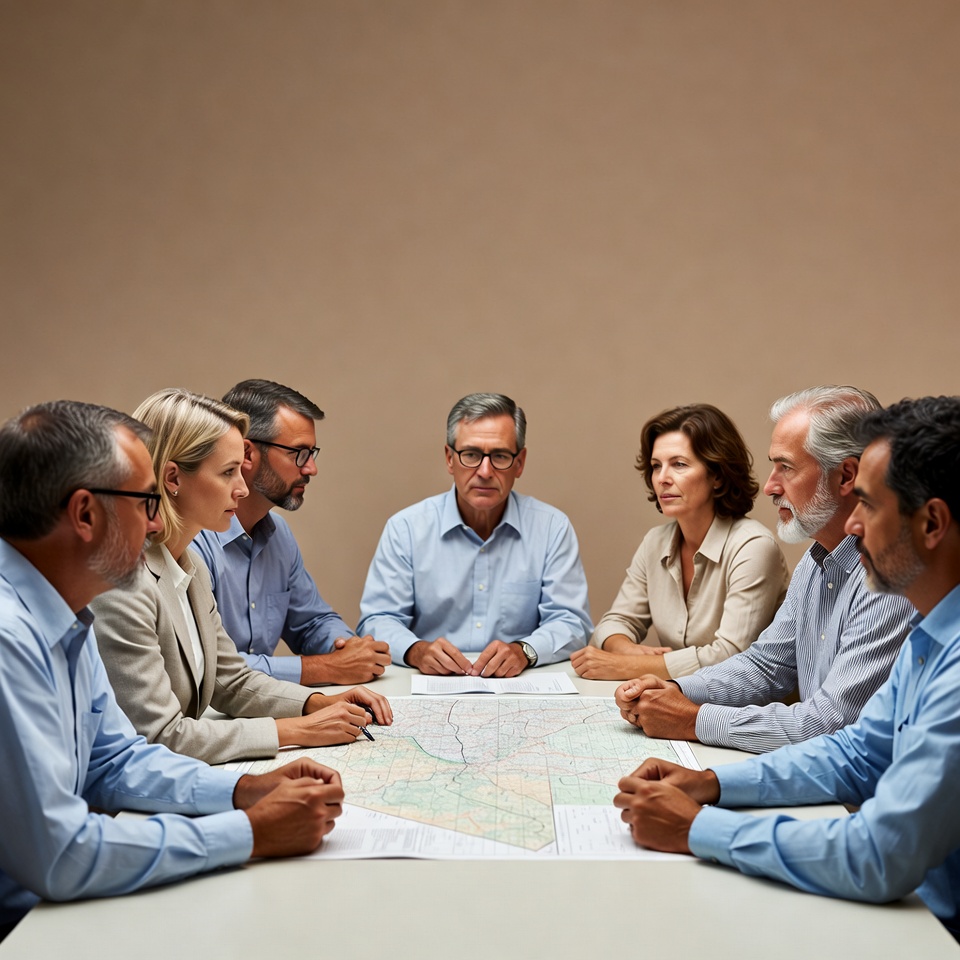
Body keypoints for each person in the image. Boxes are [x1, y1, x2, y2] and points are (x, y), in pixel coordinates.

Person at [614, 395, 960, 942]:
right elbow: (856, 752)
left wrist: (701, 829)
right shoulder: (933, 629)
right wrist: (710, 783)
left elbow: (880, 855)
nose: (853, 527)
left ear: (933, 523)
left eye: (869, 505)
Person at [0, 400, 346, 939]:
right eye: (144, 502)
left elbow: (113, 761)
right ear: (86, 514)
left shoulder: (67, 609)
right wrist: (248, 832)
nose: (158, 520)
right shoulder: (9, 638)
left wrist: (243, 792)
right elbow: (61, 855)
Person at [91, 389, 392, 765]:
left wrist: (319, 702)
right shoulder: (123, 583)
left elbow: (229, 680)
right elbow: (160, 735)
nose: (243, 488)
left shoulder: (188, 566)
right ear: (173, 478)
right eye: (228, 472)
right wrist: (298, 730)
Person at [615, 385, 913, 753]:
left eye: (785, 467)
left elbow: (830, 723)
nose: (771, 486)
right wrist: (676, 690)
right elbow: (766, 665)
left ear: (846, 476)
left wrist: (691, 719)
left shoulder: (890, 578)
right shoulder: (816, 561)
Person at [358, 392, 592, 676]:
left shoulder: (552, 527)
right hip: (429, 685)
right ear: (449, 459)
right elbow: (377, 619)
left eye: (500, 456)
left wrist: (524, 651)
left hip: (521, 686)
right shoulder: (406, 528)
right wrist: (416, 651)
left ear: (520, 463)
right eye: (471, 454)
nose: (484, 471)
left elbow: (571, 622)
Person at [192, 379, 390, 685]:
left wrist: (349, 648)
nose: (311, 469)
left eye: (312, 453)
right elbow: (208, 666)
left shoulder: (278, 535)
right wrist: (327, 668)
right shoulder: (195, 538)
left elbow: (312, 622)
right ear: (247, 453)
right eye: (298, 453)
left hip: (262, 713)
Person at [571, 403, 789, 681]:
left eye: (679, 464)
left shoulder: (753, 546)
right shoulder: (655, 542)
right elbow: (615, 622)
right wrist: (625, 649)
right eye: (655, 466)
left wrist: (624, 666)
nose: (662, 479)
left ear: (718, 477)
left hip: (743, 711)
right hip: (677, 701)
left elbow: (731, 656)